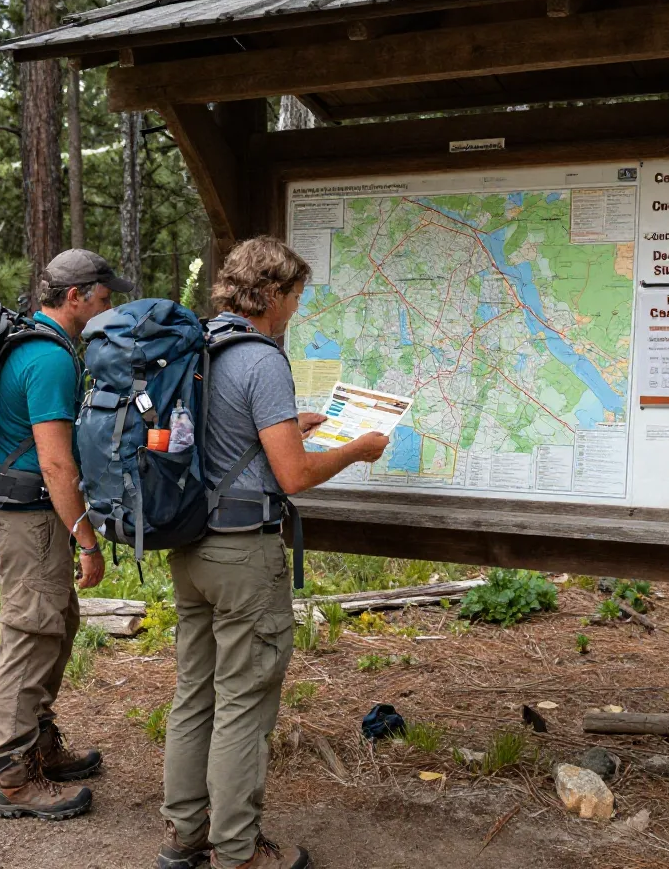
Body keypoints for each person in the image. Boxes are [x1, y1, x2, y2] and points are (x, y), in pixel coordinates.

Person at [157, 236, 389, 869]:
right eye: (294, 296)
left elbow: (226, 435)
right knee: (243, 702)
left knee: (194, 693)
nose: (295, 309)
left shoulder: (198, 344)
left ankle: (185, 836)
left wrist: (293, 423)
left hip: (190, 546)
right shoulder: (261, 360)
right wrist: (353, 450)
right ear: (273, 294)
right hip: (243, 557)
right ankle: (236, 851)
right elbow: (294, 477)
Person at [0, 249, 133, 820]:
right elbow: (56, 466)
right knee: (31, 635)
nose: (107, 304)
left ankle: (40, 745)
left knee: (54, 624)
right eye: (102, 295)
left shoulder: (30, 344)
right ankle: (14, 777)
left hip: (24, 521)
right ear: (75, 297)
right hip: (29, 522)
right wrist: (87, 539)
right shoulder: (49, 360)